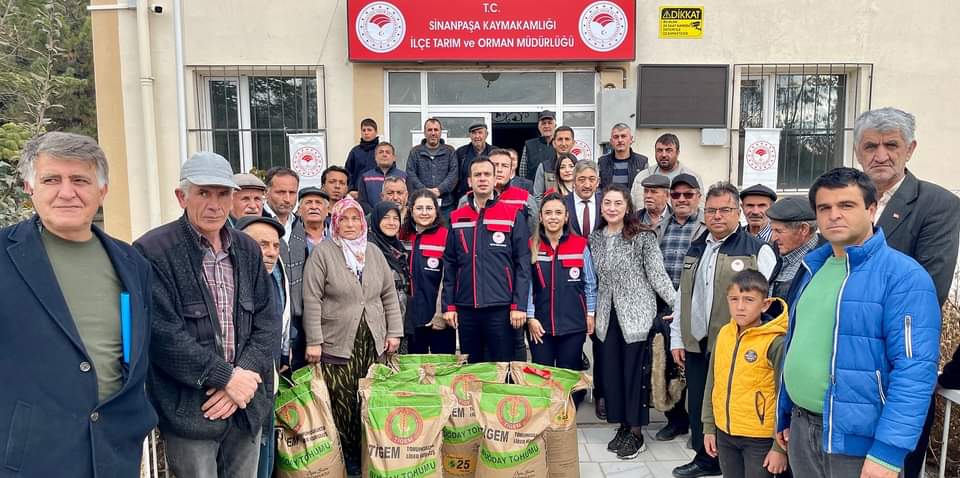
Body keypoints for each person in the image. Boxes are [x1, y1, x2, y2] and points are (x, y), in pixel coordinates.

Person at [0, 132, 157, 477]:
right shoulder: (5, 256)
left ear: (102, 191)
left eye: (80, 180)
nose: (67, 192)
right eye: (52, 179)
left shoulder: (131, 263)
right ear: (30, 188)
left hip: (113, 454)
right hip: (29, 458)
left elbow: (136, 353)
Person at [776, 167, 941, 478]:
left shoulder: (903, 277)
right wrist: (783, 415)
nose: (834, 215)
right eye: (824, 208)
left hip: (859, 444)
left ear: (872, 209)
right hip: (802, 430)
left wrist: (888, 453)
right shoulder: (814, 268)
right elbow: (798, 344)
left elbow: (914, 371)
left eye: (846, 205)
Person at [134, 152, 278, 478]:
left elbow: (266, 322)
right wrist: (226, 378)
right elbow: (163, 335)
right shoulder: (153, 251)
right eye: (203, 193)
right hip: (191, 407)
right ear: (181, 197)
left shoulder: (246, 248)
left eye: (223, 194)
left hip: (245, 404)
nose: (214, 204)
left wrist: (242, 378)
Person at [854, 108, 960, 478]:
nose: (880, 155)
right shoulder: (846, 202)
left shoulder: (937, 204)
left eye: (890, 145)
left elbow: (929, 291)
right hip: (844, 370)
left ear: (910, 149)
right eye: (870, 146)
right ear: (857, 151)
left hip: (896, 364)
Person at [669, 182, 778, 478]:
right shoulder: (697, 246)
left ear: (737, 212)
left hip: (736, 344)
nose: (717, 216)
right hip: (697, 342)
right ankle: (705, 458)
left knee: (730, 398)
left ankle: (727, 458)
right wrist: (678, 337)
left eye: (725, 210)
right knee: (701, 401)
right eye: (711, 210)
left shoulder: (757, 250)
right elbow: (684, 294)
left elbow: (765, 302)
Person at [301, 196, 403, 476]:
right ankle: (347, 459)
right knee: (342, 400)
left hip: (372, 339)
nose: (349, 224)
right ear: (335, 222)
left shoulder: (373, 252)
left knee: (369, 397)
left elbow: (388, 296)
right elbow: (312, 298)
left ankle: (370, 453)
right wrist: (314, 340)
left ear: (363, 222)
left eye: (355, 218)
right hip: (337, 341)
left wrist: (394, 332)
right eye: (343, 219)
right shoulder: (324, 252)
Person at [590, 184, 677, 460]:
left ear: (627, 207)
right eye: (607, 204)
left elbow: (658, 276)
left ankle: (637, 433)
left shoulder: (643, 237)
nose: (612, 208)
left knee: (634, 377)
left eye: (617, 203)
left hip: (637, 316)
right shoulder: (596, 238)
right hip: (607, 318)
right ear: (601, 208)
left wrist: (677, 305)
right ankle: (623, 426)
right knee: (612, 375)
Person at [443, 156, 531, 363]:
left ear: (494, 179)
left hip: (500, 308)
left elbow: (522, 265)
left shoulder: (512, 215)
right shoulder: (456, 218)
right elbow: (450, 265)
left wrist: (519, 305)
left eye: (487, 174)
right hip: (466, 308)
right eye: (477, 175)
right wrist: (449, 306)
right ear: (469, 181)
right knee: (473, 370)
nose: (482, 179)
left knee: (502, 367)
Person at [702, 271, 788, 478]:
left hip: (759, 438)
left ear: (765, 304)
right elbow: (712, 383)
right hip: (725, 433)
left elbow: (784, 396)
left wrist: (779, 448)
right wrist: (708, 426)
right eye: (734, 299)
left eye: (749, 300)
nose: (740, 307)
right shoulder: (724, 334)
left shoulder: (775, 342)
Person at [651, 173, 707, 443]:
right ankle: (675, 421)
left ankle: (697, 423)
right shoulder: (662, 226)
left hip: (692, 307)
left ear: (698, 197)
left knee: (690, 365)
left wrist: (683, 306)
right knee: (665, 365)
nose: (682, 199)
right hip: (662, 305)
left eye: (688, 194)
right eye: (676, 195)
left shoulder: (707, 227)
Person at [235, 215, 290, 478]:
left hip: (268, 381)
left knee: (265, 453)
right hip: (238, 386)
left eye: (275, 245)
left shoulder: (275, 276)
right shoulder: (233, 281)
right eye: (262, 244)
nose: (270, 252)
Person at [526, 192, 597, 371]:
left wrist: (590, 313)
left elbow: (589, 283)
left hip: (573, 324)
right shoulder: (531, 245)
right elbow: (526, 285)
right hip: (540, 326)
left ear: (566, 217)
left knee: (569, 375)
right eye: (548, 213)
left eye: (558, 213)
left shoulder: (580, 245)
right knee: (543, 376)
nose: (553, 217)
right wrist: (530, 317)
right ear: (540, 217)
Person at [401, 189, 456, 354]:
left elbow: (452, 277)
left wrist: (445, 310)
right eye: (419, 208)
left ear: (436, 211)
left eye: (429, 208)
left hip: (439, 316)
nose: (424, 213)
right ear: (411, 210)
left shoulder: (446, 236)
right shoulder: (402, 236)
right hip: (410, 318)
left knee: (443, 369)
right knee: (414, 370)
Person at [766, 197, 819, 300]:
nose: (773, 238)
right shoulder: (777, 252)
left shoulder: (825, 260)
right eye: (772, 230)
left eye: (779, 231)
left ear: (804, 229)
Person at [368, 201, 410, 327]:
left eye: (395, 218)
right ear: (376, 219)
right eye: (385, 218)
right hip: (378, 319)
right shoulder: (369, 248)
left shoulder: (398, 248)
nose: (391, 222)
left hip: (400, 314)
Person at [631, 133, 703, 208]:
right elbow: (632, 208)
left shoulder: (693, 178)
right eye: (659, 150)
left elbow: (700, 210)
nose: (663, 155)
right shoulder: (642, 177)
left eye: (669, 150)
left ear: (677, 153)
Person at [406, 117, 458, 217]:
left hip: (446, 206)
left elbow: (453, 174)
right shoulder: (415, 152)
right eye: (430, 130)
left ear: (440, 132)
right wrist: (425, 192)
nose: (433, 133)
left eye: (436, 130)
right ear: (424, 132)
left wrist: (439, 190)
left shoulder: (450, 151)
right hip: (421, 205)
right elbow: (411, 174)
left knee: (445, 232)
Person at [358, 142, 407, 213]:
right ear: (375, 157)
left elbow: (408, 200)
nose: (384, 155)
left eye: (388, 152)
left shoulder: (404, 177)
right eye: (381, 152)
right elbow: (362, 201)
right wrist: (375, 215)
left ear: (394, 158)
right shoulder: (365, 177)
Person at [598, 123, 648, 189]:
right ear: (611, 141)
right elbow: (598, 189)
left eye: (623, 136)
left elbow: (645, 189)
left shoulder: (642, 163)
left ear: (631, 139)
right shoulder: (602, 162)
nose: (620, 140)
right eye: (616, 137)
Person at [533, 126, 576, 201]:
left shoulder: (579, 167)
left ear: (573, 143)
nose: (563, 143)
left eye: (567, 139)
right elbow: (538, 197)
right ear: (554, 143)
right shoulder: (544, 167)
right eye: (560, 139)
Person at [455, 122, 494, 201]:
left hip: (490, 198)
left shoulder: (494, 152)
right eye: (474, 133)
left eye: (480, 133)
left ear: (486, 134)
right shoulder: (461, 153)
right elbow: (455, 177)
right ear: (470, 135)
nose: (477, 136)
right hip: (465, 198)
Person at [345, 117, 380, 198]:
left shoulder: (382, 151)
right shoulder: (355, 151)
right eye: (363, 130)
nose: (366, 133)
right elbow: (348, 173)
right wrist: (350, 190)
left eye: (369, 130)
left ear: (376, 132)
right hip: (357, 194)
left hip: (378, 193)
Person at [567, 159, 602, 238]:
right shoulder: (563, 203)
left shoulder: (604, 203)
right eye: (582, 180)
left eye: (592, 179)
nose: (587, 185)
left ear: (598, 182)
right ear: (573, 181)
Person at [519, 109, 556, 181]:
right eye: (543, 123)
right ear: (538, 126)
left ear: (555, 126)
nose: (546, 126)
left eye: (549, 123)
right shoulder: (529, 145)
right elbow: (523, 171)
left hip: (555, 188)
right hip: (533, 188)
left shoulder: (560, 144)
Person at [263, 166, 299, 240]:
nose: (287, 199)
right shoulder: (256, 222)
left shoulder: (300, 224)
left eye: (292, 192)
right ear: (266, 192)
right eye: (281, 192)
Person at [297, 186, 331, 253]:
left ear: (327, 210)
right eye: (308, 202)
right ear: (299, 210)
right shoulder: (291, 237)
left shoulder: (337, 236)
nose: (314, 207)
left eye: (318, 202)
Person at [638, 174, 672, 240]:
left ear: (667, 195)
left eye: (654, 192)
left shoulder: (677, 219)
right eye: (646, 191)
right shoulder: (635, 219)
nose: (648, 196)